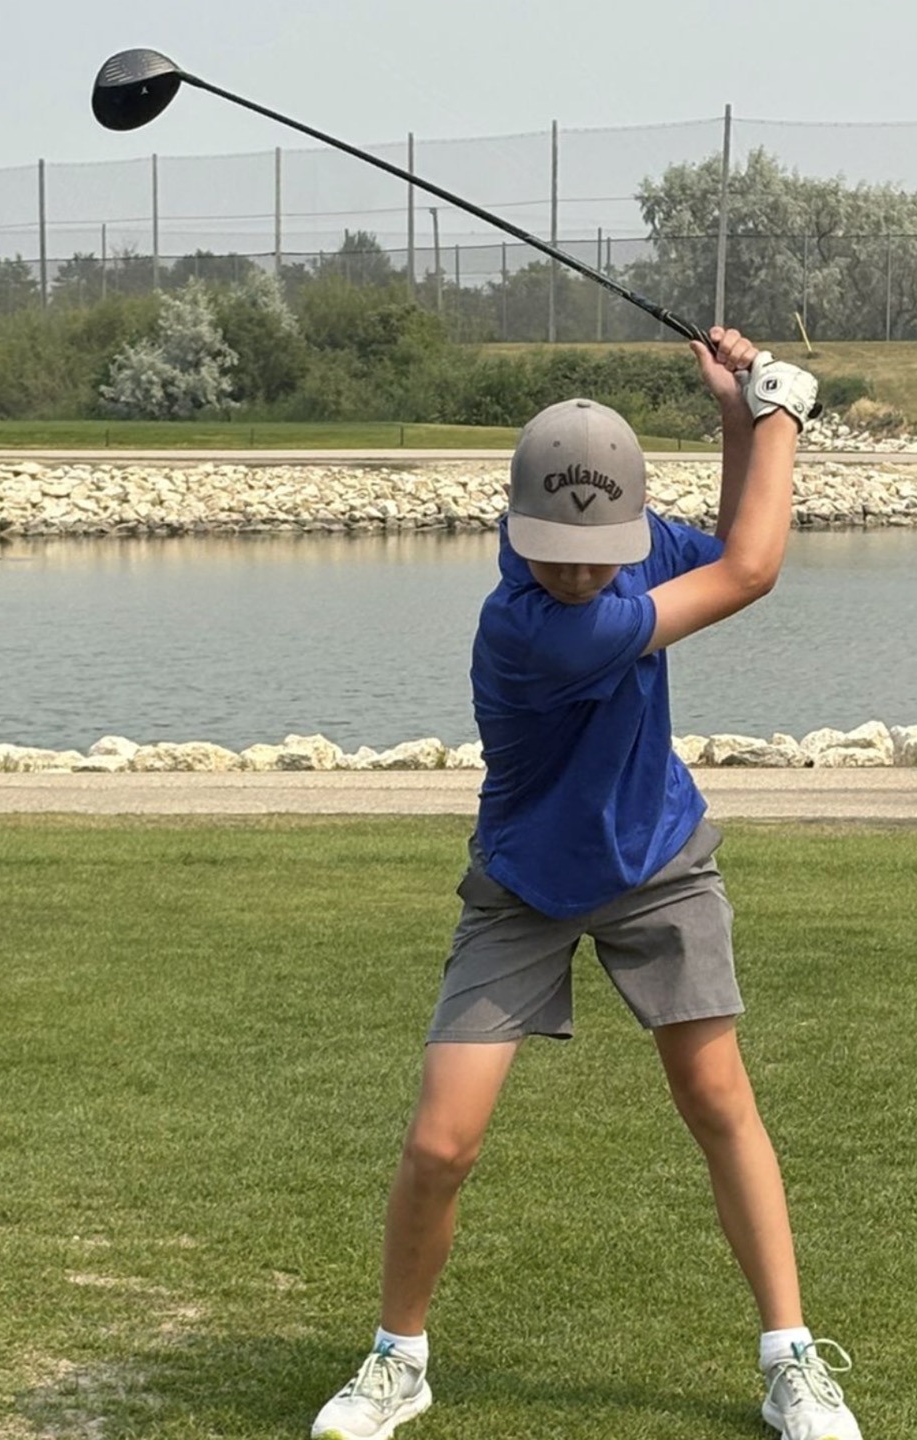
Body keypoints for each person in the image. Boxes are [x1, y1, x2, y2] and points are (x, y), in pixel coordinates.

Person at [309, 330, 860, 1440]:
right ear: (519, 531)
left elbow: (726, 542)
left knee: (719, 1101)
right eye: (556, 552)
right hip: (525, 881)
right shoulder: (534, 628)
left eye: (596, 551)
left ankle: (791, 1361)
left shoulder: (634, 549)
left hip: (658, 859)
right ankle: (398, 1360)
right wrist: (785, 410)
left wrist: (733, 411)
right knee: (441, 1143)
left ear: (628, 526)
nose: (576, 571)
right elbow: (754, 571)